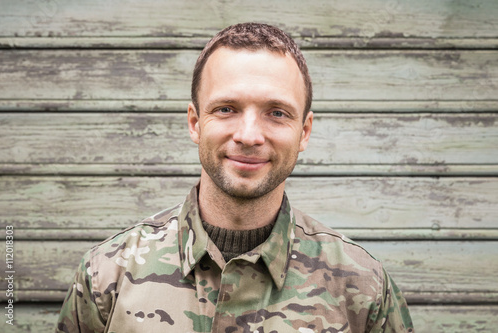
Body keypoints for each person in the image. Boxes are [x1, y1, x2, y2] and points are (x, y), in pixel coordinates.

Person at [57, 22, 414, 332]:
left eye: (276, 112)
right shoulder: (106, 276)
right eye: (226, 109)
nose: (248, 135)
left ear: (304, 132)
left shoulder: (363, 288)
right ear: (195, 123)